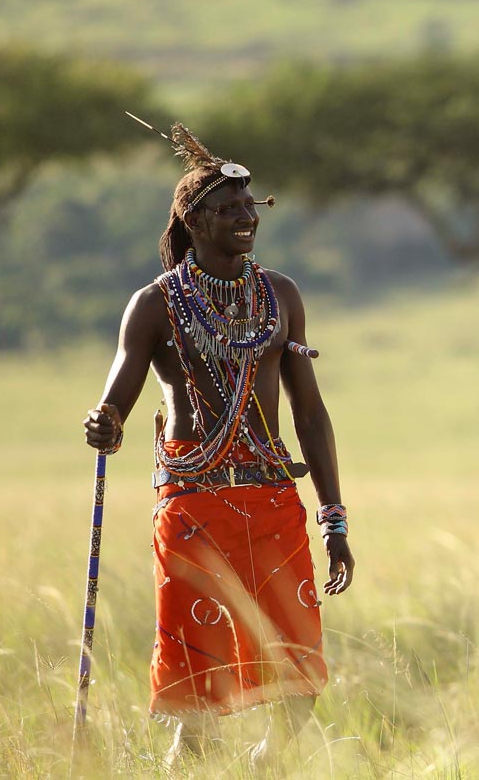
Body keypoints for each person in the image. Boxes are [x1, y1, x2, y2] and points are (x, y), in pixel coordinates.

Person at [82, 124, 354, 765]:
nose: (245, 218)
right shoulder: (153, 305)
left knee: (297, 669)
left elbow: (310, 415)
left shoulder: (279, 296)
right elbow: (116, 400)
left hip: (271, 498)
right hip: (193, 503)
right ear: (192, 220)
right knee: (197, 694)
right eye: (228, 209)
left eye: (249, 207)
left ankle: (268, 761)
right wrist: (104, 424)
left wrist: (334, 516)